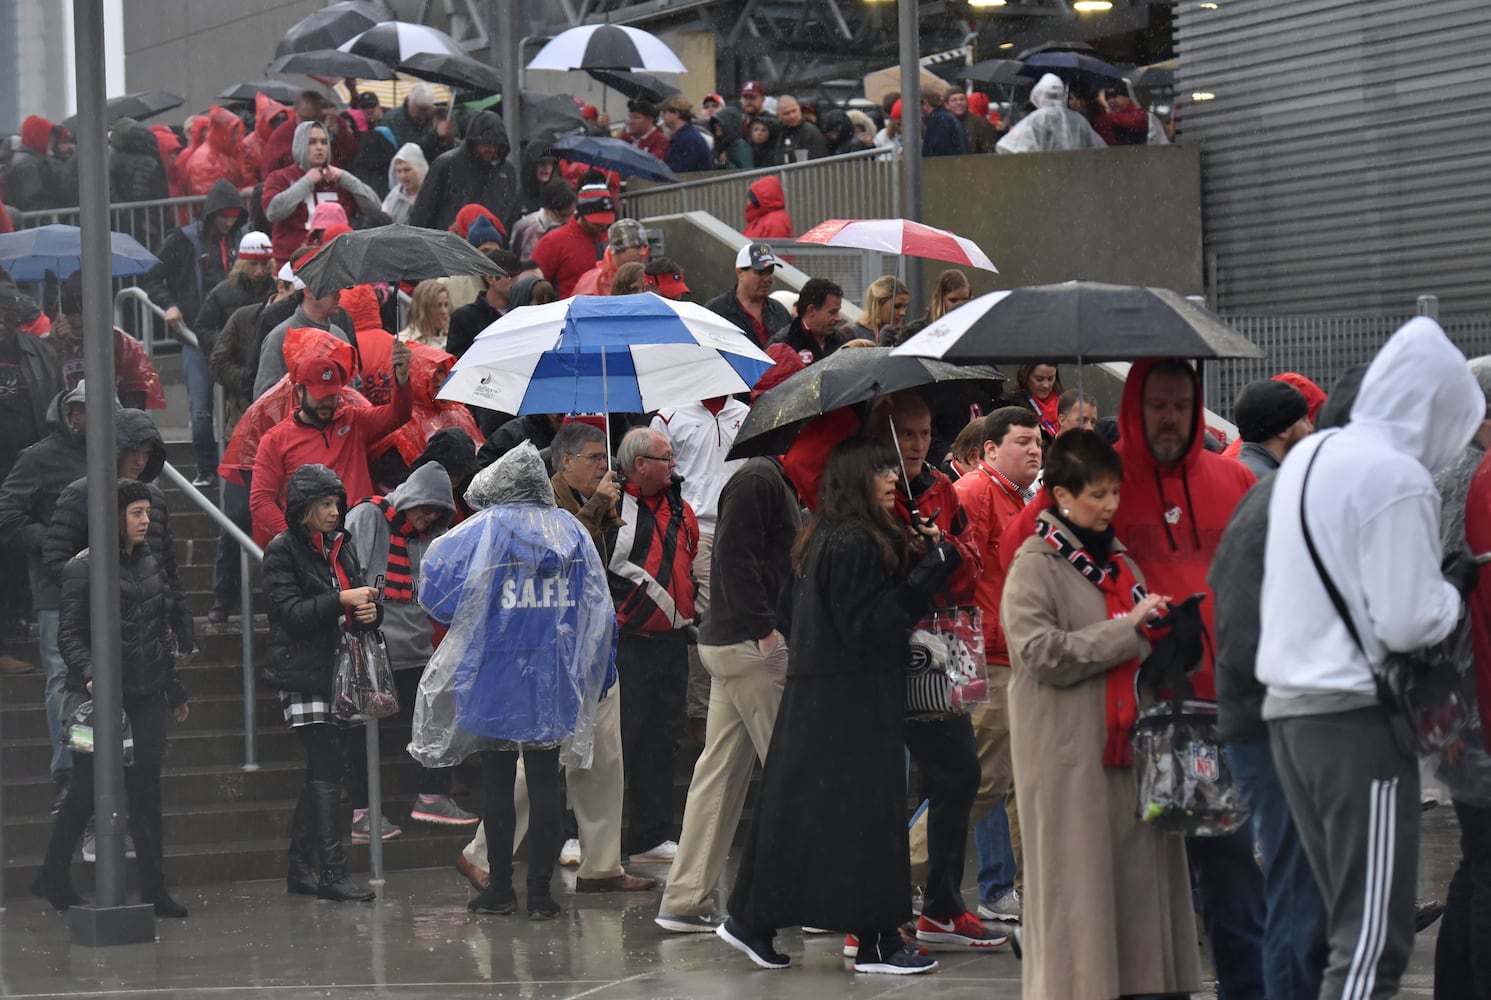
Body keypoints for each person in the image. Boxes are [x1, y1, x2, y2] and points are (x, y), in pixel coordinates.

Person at [1258, 319, 1482, 1000]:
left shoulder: (1308, 456)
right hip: (1355, 723)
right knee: (1373, 941)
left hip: (1289, 713)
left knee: (1340, 926)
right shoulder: (1396, 476)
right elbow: (1408, 617)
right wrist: (1452, 591)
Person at [718, 437, 960, 974]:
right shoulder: (853, 541)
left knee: (812, 819)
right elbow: (870, 628)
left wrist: (912, 557)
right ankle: (877, 942)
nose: (893, 477)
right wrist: (926, 576)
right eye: (879, 470)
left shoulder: (826, 534)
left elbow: (813, 609)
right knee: (866, 820)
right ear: (854, 477)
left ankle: (753, 920)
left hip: (825, 696)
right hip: (851, 701)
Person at [1001, 430, 1201, 999]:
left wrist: (1169, 630)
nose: (1110, 505)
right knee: (1079, 887)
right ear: (1062, 495)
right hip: (1069, 757)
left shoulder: (1117, 559)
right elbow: (1040, 653)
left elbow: (1134, 638)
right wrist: (1127, 628)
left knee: (1136, 887)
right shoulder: (1035, 565)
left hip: (1127, 748)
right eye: (1097, 494)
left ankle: (1144, 985)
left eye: (1114, 491)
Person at [1211, 373, 1364, 1000]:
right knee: (1293, 888)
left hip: (1258, 705)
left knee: (1288, 884)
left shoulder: (1263, 482)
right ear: (1292, 427)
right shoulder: (1276, 488)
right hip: (1269, 713)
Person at [414, 443, 615, 918]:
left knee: (499, 783)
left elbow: (434, 591)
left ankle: (501, 888)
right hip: (553, 674)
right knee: (547, 782)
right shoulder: (571, 531)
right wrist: (599, 671)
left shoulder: (484, 530)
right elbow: (598, 609)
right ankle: (542, 895)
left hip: (494, 671)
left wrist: (478, 610)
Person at [459, 423, 657, 896]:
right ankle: (481, 854)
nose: (601, 466)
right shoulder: (543, 504)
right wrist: (596, 507)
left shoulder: (597, 498)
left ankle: (602, 866)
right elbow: (556, 558)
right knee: (537, 768)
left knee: (605, 759)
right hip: (551, 657)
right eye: (592, 458)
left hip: (595, 648)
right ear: (563, 461)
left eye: (603, 458)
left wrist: (605, 507)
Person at [870, 393, 1002, 951]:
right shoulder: (869, 489)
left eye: (925, 433)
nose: (919, 444)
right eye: (907, 433)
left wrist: (939, 545)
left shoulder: (943, 490)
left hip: (943, 641)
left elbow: (969, 562)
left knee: (960, 773)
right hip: (883, 649)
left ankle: (943, 905)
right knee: (884, 785)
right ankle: (880, 908)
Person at [31, 480, 193, 917]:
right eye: (136, 513)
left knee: (147, 791)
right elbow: (69, 636)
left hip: (146, 697)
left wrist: (173, 688)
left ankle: (154, 889)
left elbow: (161, 633)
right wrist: (89, 676)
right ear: (113, 519)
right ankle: (53, 874)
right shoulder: (82, 568)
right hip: (94, 702)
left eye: (147, 512)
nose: (146, 521)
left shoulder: (151, 565)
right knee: (83, 789)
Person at [656, 449, 801, 932]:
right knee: (793, 771)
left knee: (718, 774)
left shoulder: (765, 478)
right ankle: (819, 897)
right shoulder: (760, 479)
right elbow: (733, 557)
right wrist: (765, 630)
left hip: (736, 642)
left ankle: (685, 897)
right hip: (747, 644)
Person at [261, 464, 381, 903]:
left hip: (341, 670)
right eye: (325, 504)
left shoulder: (340, 546)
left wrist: (370, 610)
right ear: (304, 508)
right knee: (328, 766)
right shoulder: (282, 550)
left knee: (323, 771)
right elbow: (289, 613)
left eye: (337, 504)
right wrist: (340, 601)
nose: (334, 512)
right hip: (304, 671)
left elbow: (360, 595)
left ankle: (300, 867)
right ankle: (331, 870)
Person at [343, 461, 476, 834]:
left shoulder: (435, 536)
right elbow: (344, 571)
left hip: (416, 649)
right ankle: (362, 812)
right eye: (424, 507)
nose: (428, 516)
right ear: (410, 498)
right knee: (363, 732)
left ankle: (433, 796)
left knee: (436, 714)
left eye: (437, 511)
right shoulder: (369, 516)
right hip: (372, 648)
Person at [947, 407, 1043, 923]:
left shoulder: (1015, 497)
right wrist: (970, 662)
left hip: (1008, 655)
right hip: (983, 655)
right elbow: (960, 577)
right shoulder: (978, 492)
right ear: (988, 450)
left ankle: (1026, 887)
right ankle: (900, 872)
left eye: (1038, 443)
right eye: (1022, 441)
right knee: (980, 779)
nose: (1034, 450)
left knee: (1010, 777)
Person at [608, 427, 699, 864]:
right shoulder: (607, 503)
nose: (674, 465)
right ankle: (588, 835)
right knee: (618, 740)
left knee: (663, 740)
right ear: (640, 464)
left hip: (672, 642)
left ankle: (650, 835)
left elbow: (691, 549)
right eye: (666, 458)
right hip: (627, 643)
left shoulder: (680, 505)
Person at [0, 384, 87, 800]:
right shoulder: (38, 457)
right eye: (83, 409)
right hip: (56, 584)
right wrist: (52, 540)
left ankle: (97, 763)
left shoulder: (124, 454)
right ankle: (68, 768)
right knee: (60, 673)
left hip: (116, 583)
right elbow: (7, 512)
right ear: (69, 413)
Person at [651, 396, 748, 743]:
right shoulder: (670, 413)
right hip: (694, 526)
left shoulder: (746, 414)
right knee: (704, 618)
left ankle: (731, 707)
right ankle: (700, 712)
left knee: (737, 615)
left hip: (739, 525)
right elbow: (652, 470)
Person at [249, 345, 413, 545]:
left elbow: (398, 415)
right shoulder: (275, 440)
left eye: (332, 395)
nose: (327, 402)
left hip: (363, 535)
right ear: (300, 391)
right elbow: (260, 500)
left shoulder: (353, 420)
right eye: (320, 396)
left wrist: (402, 379)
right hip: (314, 548)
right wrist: (296, 537)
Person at [262, 121, 380, 265]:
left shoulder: (338, 179)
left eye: (324, 142)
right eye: (312, 142)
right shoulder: (281, 178)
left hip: (333, 263)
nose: (319, 147)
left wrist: (345, 178)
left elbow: (374, 207)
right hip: (291, 263)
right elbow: (273, 212)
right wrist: (307, 182)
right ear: (300, 145)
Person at [410, 111, 518, 234]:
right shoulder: (446, 165)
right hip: (451, 245)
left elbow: (510, 214)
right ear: (474, 142)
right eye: (486, 143)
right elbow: (423, 212)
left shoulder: (507, 171)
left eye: (496, 144)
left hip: (490, 246)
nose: (491, 149)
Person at [252, 266, 351, 399]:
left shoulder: (339, 335)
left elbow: (354, 389)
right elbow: (265, 398)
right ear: (309, 291)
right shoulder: (280, 338)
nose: (339, 295)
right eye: (332, 289)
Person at [533, 184, 613, 298]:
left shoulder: (612, 239)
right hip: (566, 311)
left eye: (607, 222)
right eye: (596, 223)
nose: (603, 226)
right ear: (582, 214)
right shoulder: (553, 242)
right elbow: (535, 287)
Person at [705, 242, 790, 349]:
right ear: (740, 272)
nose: (767, 278)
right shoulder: (716, 311)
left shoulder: (779, 311)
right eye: (760, 272)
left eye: (770, 271)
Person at [997, 74, 1105, 154]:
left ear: (1039, 93)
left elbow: (1006, 147)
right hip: (1076, 174)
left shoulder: (1037, 118)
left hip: (1044, 175)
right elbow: (1100, 148)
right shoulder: (1078, 119)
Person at [1231, 378, 1312, 479]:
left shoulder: (1240, 473)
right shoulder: (1272, 483)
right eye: (1304, 420)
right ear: (1283, 429)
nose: (1310, 428)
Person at [444, 249, 514, 360]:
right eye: (510, 276)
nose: (517, 280)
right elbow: (457, 362)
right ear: (491, 278)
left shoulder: (524, 313)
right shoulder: (465, 318)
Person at [771, 278, 848, 365]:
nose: (838, 318)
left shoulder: (841, 341)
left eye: (838, 311)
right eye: (832, 312)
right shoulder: (782, 345)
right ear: (811, 310)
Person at [573, 219, 649, 297]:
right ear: (617, 250)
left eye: (644, 247)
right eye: (636, 247)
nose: (642, 253)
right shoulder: (592, 282)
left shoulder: (649, 278)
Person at [182, 106, 248, 195]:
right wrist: (242, 193)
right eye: (232, 134)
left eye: (237, 133)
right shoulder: (204, 159)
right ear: (221, 132)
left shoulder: (222, 153)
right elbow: (211, 195)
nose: (236, 138)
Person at [511, 180, 576, 261]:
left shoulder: (577, 223)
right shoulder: (527, 228)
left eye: (571, 214)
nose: (568, 220)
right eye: (563, 216)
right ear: (548, 209)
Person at [901, 268, 972, 340]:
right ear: (939, 299)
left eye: (965, 301)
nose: (959, 305)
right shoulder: (916, 332)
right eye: (953, 301)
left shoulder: (973, 332)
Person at [380, 142, 428, 225]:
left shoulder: (430, 194)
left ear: (419, 168)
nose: (402, 176)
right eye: (399, 171)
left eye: (407, 170)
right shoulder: (393, 197)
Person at [662, 95, 712, 174]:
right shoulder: (683, 136)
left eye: (665, 112)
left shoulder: (688, 139)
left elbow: (680, 171)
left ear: (676, 114)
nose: (663, 116)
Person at [853, 275, 908, 345]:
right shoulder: (850, 333)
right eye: (896, 306)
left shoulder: (903, 334)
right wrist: (881, 346)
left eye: (905, 306)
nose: (903, 313)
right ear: (878, 304)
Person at [771, 96, 829, 163]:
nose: (792, 116)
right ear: (779, 116)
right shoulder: (778, 133)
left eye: (794, 111)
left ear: (799, 110)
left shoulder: (811, 132)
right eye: (786, 113)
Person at [1093, 81, 1151, 146]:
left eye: (1115, 96)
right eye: (1108, 98)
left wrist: (1108, 116)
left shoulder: (1141, 114)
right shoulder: (1104, 118)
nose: (1111, 101)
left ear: (1127, 97)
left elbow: (1132, 122)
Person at [397, 279, 450, 350]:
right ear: (423, 308)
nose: (444, 311)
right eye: (438, 305)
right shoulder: (402, 341)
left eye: (446, 305)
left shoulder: (454, 338)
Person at [381, 83, 439, 147]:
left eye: (426, 110)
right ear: (409, 101)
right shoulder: (392, 120)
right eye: (420, 110)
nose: (422, 116)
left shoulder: (435, 119)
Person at [742, 176, 793, 240]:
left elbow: (775, 247)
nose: (750, 203)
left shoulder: (775, 222)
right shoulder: (759, 219)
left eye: (753, 199)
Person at [946, 89, 996, 154]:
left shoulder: (980, 123)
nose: (959, 103)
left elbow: (989, 151)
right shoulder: (942, 124)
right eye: (954, 100)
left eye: (962, 99)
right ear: (946, 105)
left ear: (967, 102)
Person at [922, 92, 968, 158]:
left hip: (947, 166)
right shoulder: (945, 117)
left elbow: (937, 152)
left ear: (925, 103)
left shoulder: (939, 120)